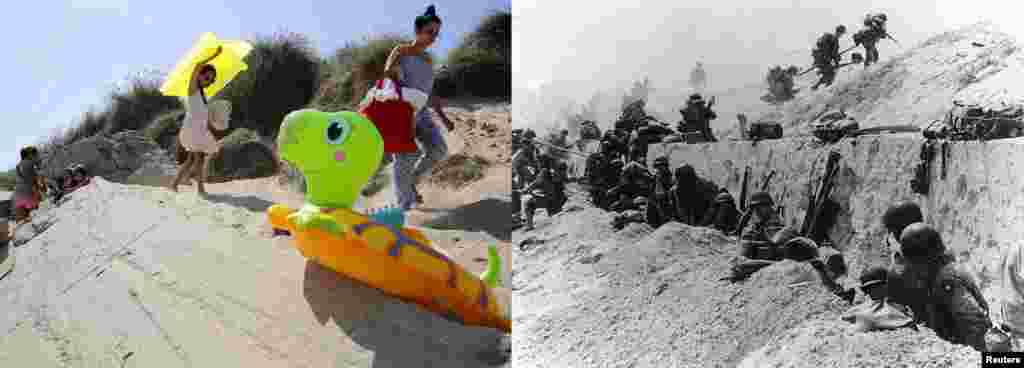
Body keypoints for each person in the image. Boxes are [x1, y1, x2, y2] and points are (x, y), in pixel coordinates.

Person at [383, 5, 455, 210]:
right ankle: (404, 204)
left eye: (437, 33)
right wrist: (399, 86)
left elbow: (429, 93)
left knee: (438, 150)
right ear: (418, 31)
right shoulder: (402, 50)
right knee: (405, 156)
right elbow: (388, 73)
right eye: (430, 31)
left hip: (422, 112)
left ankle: (411, 181)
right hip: (401, 110)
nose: (434, 37)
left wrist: (443, 117)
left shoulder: (428, 60)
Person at [899, 223, 991, 352]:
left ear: (920, 258)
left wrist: (972, 357)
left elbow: (976, 324)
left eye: (911, 261)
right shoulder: (941, 273)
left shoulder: (946, 279)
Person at [170, 46, 227, 195]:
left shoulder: (202, 97)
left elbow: (203, 117)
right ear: (199, 75)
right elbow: (196, 66)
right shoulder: (193, 89)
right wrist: (214, 55)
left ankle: (175, 184)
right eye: (207, 78)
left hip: (199, 130)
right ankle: (200, 189)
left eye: (212, 80)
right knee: (199, 158)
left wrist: (212, 127)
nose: (209, 82)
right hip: (192, 130)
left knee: (191, 160)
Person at [840, 266, 916, 332]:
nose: (869, 292)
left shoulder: (894, 304)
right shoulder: (871, 305)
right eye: (868, 289)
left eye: (872, 288)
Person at [738, 191, 785, 260]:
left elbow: (778, 244)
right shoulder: (753, 227)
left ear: (769, 207)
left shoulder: (775, 224)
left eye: (761, 206)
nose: (757, 210)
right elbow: (744, 253)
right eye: (754, 207)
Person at [521, 155, 561, 231]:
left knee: (528, 203)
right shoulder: (549, 170)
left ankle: (529, 226)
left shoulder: (544, 171)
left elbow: (537, 183)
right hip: (554, 198)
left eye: (538, 162)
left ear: (542, 163)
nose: (537, 164)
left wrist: (526, 189)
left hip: (550, 200)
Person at [12, 146, 46, 226]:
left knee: (24, 220)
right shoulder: (30, 163)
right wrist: (41, 187)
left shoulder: (18, 165)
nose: (37, 156)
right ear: (30, 155)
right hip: (29, 194)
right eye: (35, 155)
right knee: (36, 215)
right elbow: (32, 180)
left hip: (18, 196)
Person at [811, 25, 847, 90]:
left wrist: (836, 57)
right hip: (824, 59)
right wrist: (837, 61)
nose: (842, 35)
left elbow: (831, 52)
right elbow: (833, 53)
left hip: (819, 58)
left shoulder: (829, 37)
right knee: (831, 73)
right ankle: (824, 88)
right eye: (842, 33)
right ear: (840, 32)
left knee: (828, 72)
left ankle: (817, 86)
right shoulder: (834, 39)